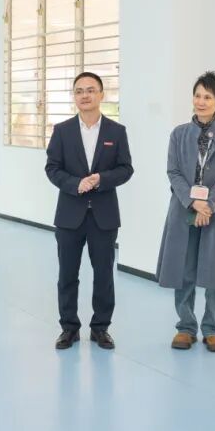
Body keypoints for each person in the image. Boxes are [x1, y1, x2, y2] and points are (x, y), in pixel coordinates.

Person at [156, 71, 215, 352]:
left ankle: (213, 329)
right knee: (183, 269)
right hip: (183, 208)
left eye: (207, 97)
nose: (201, 101)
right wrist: (192, 201)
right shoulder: (179, 133)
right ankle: (185, 327)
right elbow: (173, 171)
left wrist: (208, 205)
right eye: (197, 95)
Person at [45, 71, 134, 350]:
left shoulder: (116, 132)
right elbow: (52, 168)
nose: (85, 95)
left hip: (104, 216)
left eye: (91, 90)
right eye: (79, 91)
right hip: (69, 215)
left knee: (104, 275)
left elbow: (126, 169)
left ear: (101, 94)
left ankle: (100, 328)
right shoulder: (62, 131)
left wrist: (101, 179)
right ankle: (69, 328)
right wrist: (75, 184)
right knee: (67, 275)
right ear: (74, 96)